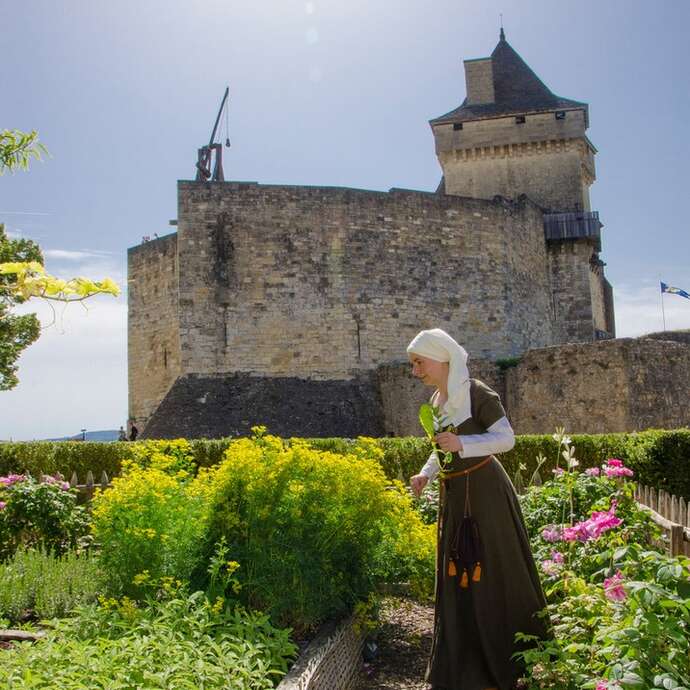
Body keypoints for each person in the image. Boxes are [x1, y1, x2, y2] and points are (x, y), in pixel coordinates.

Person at [407, 328, 548, 690]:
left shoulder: (476, 392)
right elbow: (443, 448)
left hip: (486, 495)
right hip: (457, 497)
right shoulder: (439, 401)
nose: (415, 370)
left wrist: (462, 442)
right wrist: (425, 473)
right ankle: (466, 660)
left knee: (495, 569)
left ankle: (512, 657)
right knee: (460, 574)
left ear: (440, 358)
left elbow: (506, 439)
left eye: (419, 362)